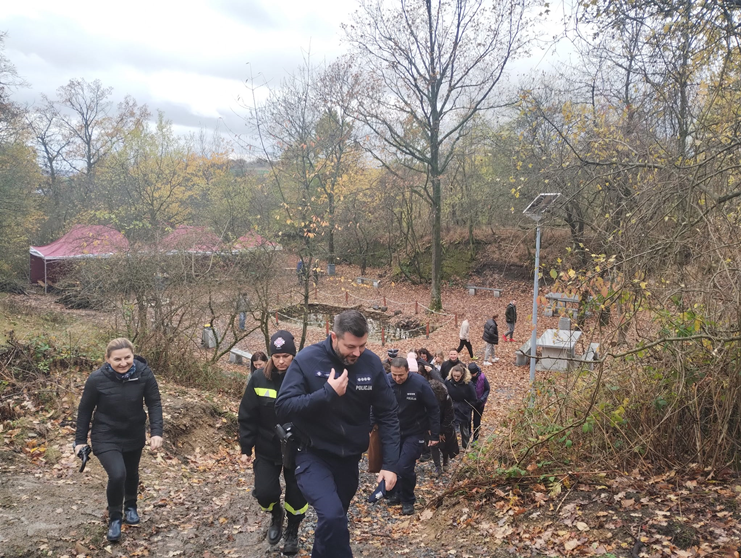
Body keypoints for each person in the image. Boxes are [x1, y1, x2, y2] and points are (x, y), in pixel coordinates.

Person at [275, 310, 400, 558]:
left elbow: (388, 415)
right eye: (351, 346)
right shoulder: (308, 360)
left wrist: (391, 464)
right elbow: (283, 407)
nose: (357, 352)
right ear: (334, 336)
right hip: (311, 453)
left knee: (335, 521)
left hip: (349, 458)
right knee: (331, 515)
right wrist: (327, 393)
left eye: (362, 345)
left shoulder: (371, 363)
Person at [74, 338, 163, 543]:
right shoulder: (97, 379)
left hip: (134, 433)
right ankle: (115, 517)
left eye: (127, 358)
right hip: (105, 434)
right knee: (118, 474)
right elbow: (85, 410)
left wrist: (156, 432)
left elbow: (154, 403)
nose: (123, 363)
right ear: (107, 359)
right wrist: (80, 440)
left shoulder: (143, 373)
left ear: (133, 355)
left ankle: (131, 506)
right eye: (117, 359)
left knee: (131, 472)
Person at [239, 331, 306, 555]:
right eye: (276, 356)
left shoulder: (304, 378)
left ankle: (293, 530)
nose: (280, 361)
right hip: (267, 448)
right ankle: (276, 515)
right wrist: (245, 448)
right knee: (264, 492)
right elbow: (248, 415)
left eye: (286, 356)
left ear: (294, 356)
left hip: (297, 449)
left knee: (297, 497)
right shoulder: (259, 379)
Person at [386, 357, 440, 514]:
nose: (397, 378)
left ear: (408, 371)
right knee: (393, 463)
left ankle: (408, 499)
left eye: (400, 375)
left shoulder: (420, 383)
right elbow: (376, 404)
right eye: (394, 375)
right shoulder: (386, 381)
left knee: (404, 466)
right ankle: (395, 493)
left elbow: (433, 408)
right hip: (393, 431)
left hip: (414, 431)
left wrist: (435, 434)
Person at [418, 364, 455, 476]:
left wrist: (441, 430)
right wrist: (429, 428)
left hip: (444, 422)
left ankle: (445, 462)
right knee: (432, 444)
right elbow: (422, 413)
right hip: (430, 423)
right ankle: (437, 467)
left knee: (444, 445)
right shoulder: (425, 397)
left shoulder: (446, 398)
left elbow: (449, 415)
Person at [445, 363, 477, 450]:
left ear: (462, 375)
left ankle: (466, 446)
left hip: (463, 409)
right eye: (454, 376)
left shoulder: (468, 384)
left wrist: (467, 408)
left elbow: (474, 399)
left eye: (458, 376)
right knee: (451, 429)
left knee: (464, 429)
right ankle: (452, 446)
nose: (456, 378)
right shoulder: (448, 382)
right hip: (452, 408)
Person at [468, 363, 490, 443]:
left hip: (479, 404)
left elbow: (487, 389)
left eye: (473, 374)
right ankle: (468, 434)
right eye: (470, 373)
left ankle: (475, 438)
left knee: (476, 421)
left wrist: (482, 399)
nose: (472, 375)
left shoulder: (482, 377)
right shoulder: (466, 377)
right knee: (468, 419)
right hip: (469, 403)